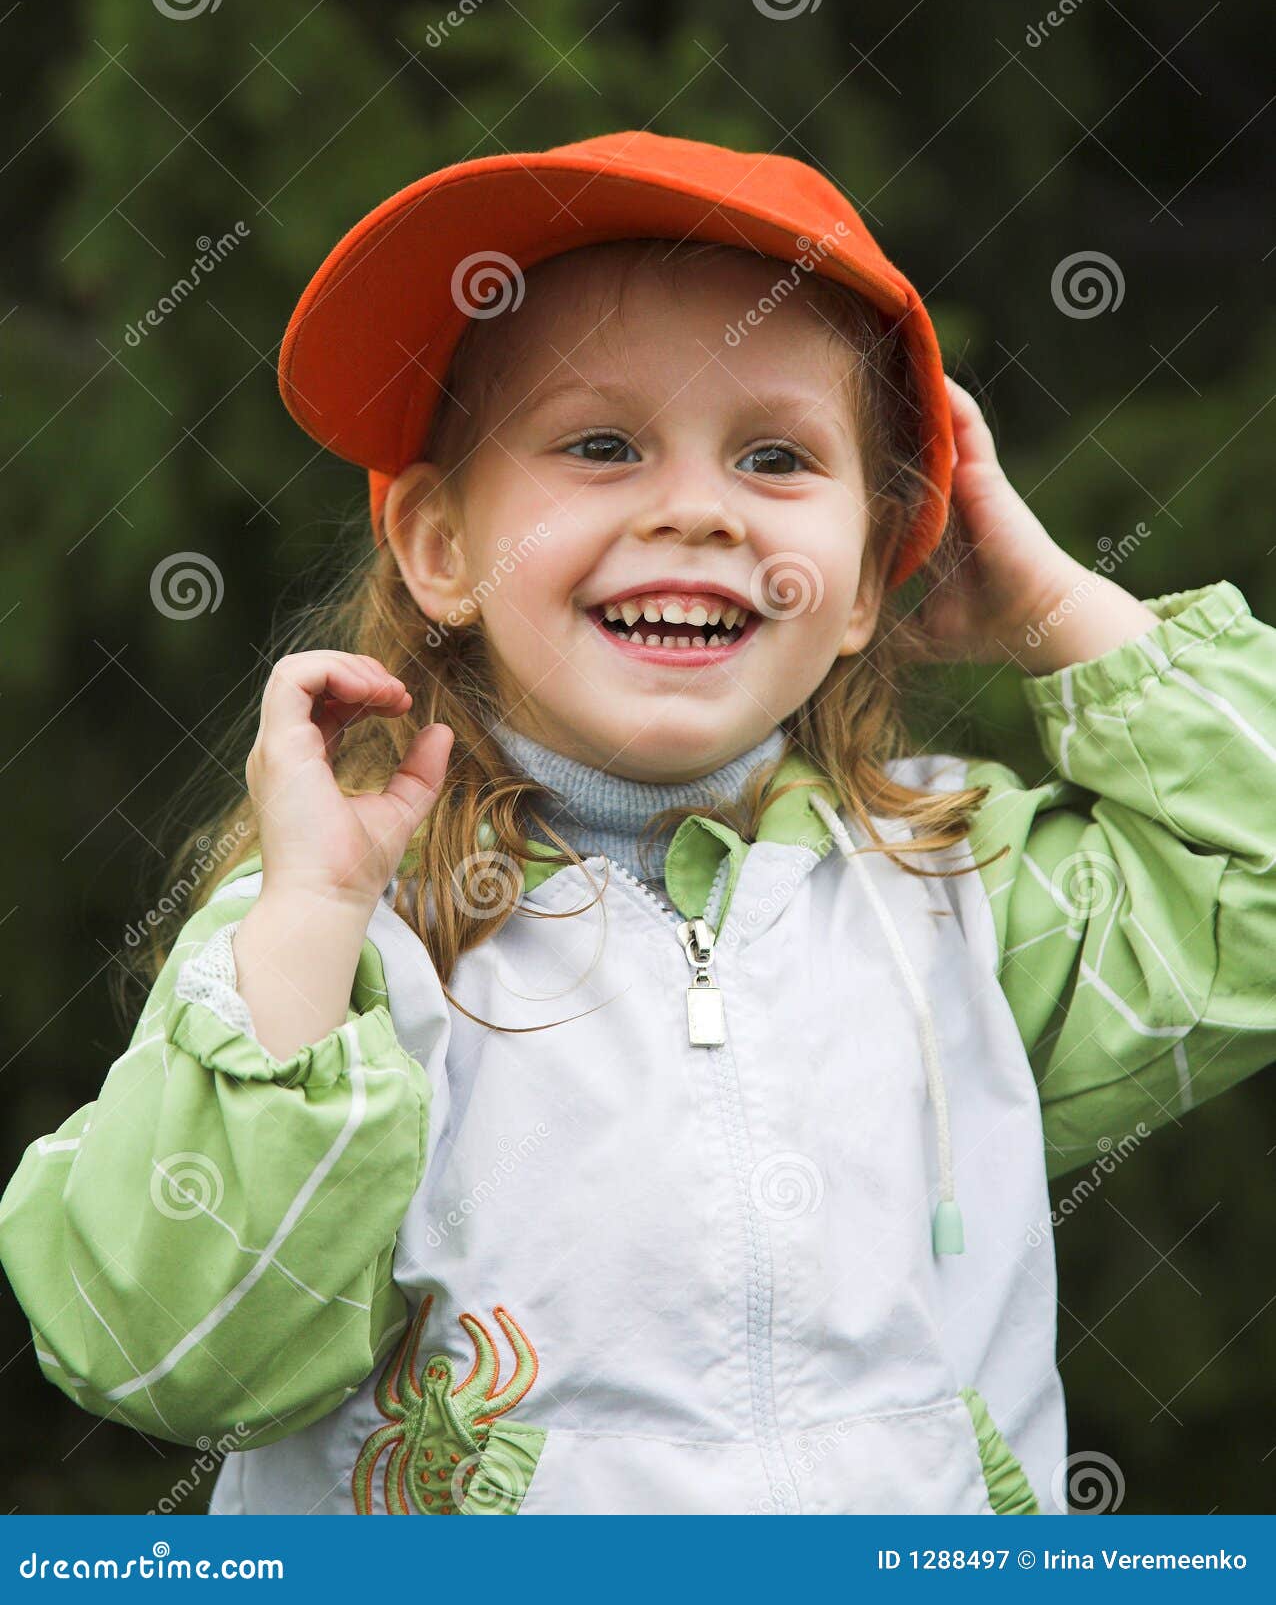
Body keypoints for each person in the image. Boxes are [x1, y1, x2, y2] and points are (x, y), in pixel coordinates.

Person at [2, 131, 1273, 1517]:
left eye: (777, 457)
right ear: (440, 550)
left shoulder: (960, 899)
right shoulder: (353, 934)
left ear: (861, 582)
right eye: (601, 444)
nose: (695, 509)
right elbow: (162, 1345)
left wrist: (1053, 609)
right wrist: (306, 915)